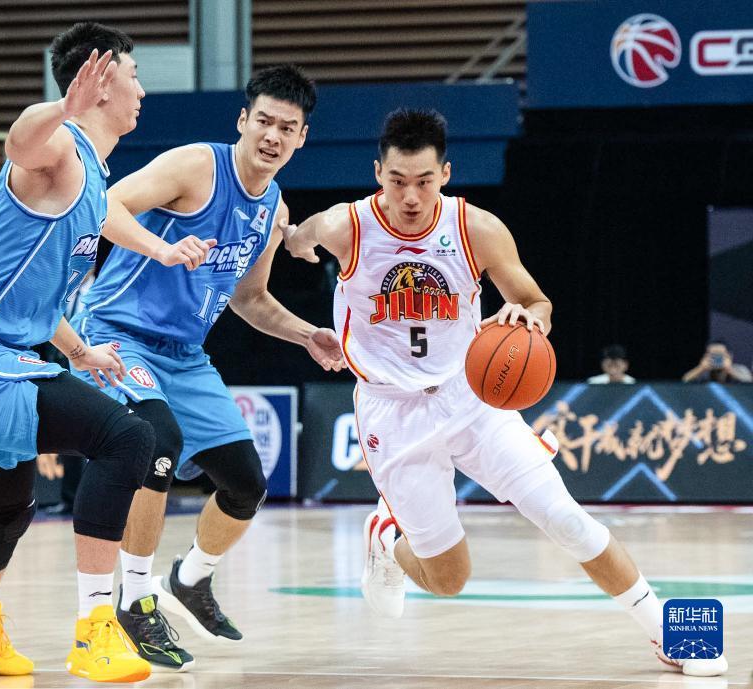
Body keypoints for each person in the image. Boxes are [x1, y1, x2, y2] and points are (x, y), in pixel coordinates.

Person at [283, 108, 726, 677]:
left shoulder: (477, 229)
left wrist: (529, 318)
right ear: (377, 173)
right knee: (449, 579)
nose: (410, 197)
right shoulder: (346, 226)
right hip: (393, 413)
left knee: (566, 519)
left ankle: (665, 631)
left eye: (424, 181)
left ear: (446, 174)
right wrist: (293, 238)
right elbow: (298, 238)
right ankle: (387, 537)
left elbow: (538, 301)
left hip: (471, 400)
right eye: (397, 181)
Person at [0, 23, 214, 682]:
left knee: (7, 506)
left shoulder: (92, 181)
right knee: (127, 438)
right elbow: (20, 142)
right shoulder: (61, 149)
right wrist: (59, 108)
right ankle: (95, 629)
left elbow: (44, 291)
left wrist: (82, 349)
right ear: (98, 82)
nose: (141, 90)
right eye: (133, 75)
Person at [71, 64, 344, 670]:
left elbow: (250, 299)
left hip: (185, 357)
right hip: (118, 334)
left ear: (302, 138)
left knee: (246, 483)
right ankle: (134, 600)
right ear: (243, 121)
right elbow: (104, 205)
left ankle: (190, 578)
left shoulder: (273, 207)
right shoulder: (197, 165)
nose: (273, 135)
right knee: (155, 441)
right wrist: (162, 248)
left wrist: (308, 335)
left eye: (287, 128)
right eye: (264, 121)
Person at [682, 340, 751, 383]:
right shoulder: (704, 372)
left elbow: (749, 382)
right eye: (713, 355)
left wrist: (729, 370)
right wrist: (701, 368)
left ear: (729, 356)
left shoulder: (740, 369)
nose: (716, 358)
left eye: (719, 354)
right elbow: (684, 381)